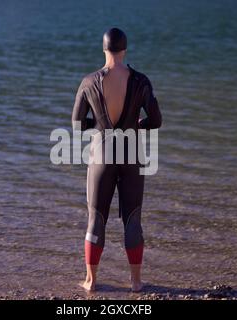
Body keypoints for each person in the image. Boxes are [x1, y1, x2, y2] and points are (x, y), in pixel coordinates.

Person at [72, 27, 162, 292]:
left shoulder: (89, 82)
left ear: (104, 49)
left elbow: (77, 125)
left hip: (101, 155)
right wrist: (136, 125)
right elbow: (156, 121)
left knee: (96, 217)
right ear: (125, 50)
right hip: (132, 153)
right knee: (133, 218)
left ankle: (91, 281)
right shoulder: (141, 81)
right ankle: (135, 282)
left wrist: (100, 125)